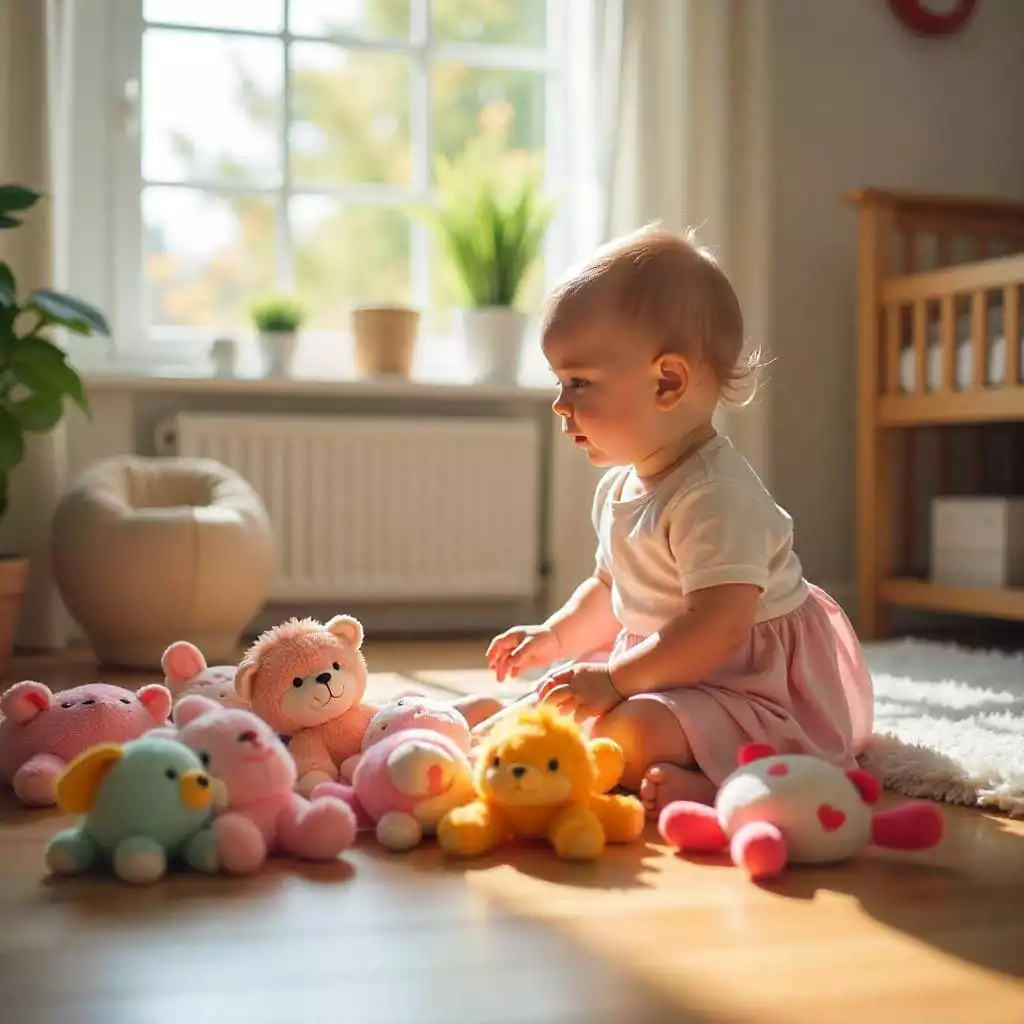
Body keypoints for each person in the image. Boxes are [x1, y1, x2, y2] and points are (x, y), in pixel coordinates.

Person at [481, 225, 873, 818]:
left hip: (751, 687)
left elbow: (717, 630)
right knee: (562, 701)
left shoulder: (715, 496)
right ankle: (676, 766)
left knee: (627, 732)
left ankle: (724, 785)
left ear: (667, 381)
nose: (561, 404)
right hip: (675, 667)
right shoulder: (621, 485)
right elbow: (610, 587)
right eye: (560, 382)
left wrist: (615, 682)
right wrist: (555, 637)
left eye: (579, 383)